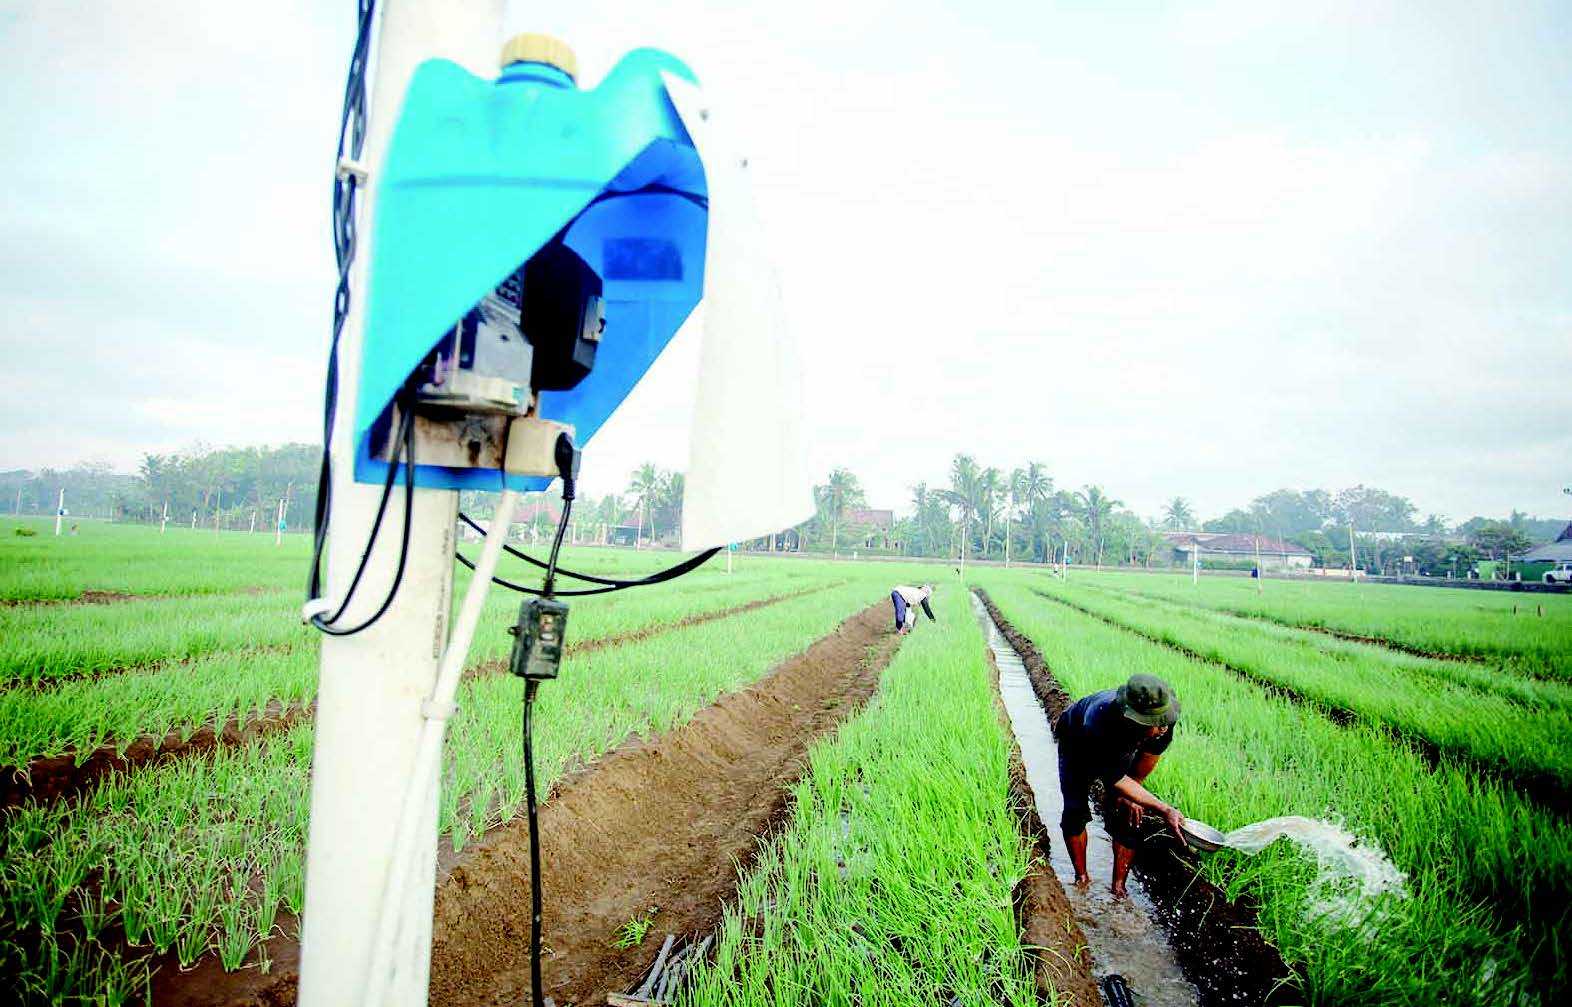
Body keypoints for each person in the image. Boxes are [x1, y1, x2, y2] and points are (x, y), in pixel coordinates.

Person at [1054, 673, 1185, 898]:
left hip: (1121, 746)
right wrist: (1164, 809)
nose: (1162, 728)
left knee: (1131, 811)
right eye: (1155, 724)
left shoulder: (1163, 722)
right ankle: (1082, 878)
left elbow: (1142, 767)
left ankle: (1119, 888)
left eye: (1163, 721)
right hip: (1077, 742)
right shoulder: (1100, 720)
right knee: (1075, 809)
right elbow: (1112, 776)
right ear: (1136, 720)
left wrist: (1130, 794)